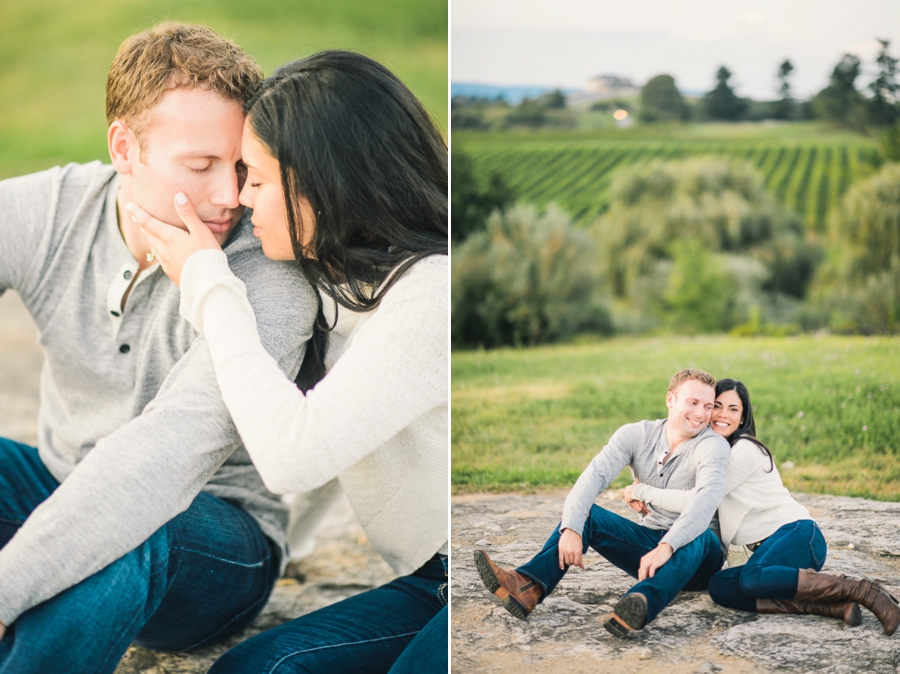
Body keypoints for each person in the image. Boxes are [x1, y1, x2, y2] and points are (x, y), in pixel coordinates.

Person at [0, 23, 317, 673]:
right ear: (125, 147)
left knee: (131, 524)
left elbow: (163, 461)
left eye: (239, 168)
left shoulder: (273, 276)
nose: (229, 197)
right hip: (58, 486)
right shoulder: (57, 209)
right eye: (200, 167)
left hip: (211, 545)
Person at [134, 50, 448, 672]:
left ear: (322, 183)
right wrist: (296, 545)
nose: (240, 197)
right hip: (427, 582)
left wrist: (210, 287)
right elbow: (337, 421)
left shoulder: (430, 292)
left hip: (465, 564)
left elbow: (292, 453)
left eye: (255, 176)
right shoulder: (332, 281)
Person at [628, 378, 900, 635]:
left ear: (743, 417)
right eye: (717, 406)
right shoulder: (710, 454)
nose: (723, 415)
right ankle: (826, 605)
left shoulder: (743, 450)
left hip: (797, 535)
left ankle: (863, 590)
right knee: (720, 586)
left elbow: (696, 500)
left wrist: (640, 491)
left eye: (733, 409)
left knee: (751, 579)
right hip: (770, 557)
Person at [473, 369, 730, 637]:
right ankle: (527, 587)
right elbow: (592, 478)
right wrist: (572, 528)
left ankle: (639, 604)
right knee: (587, 515)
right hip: (650, 546)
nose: (701, 413)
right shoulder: (636, 435)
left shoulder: (713, 446)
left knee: (698, 534)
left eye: (708, 406)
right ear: (670, 399)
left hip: (700, 558)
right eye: (693, 402)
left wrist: (667, 546)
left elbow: (705, 502)